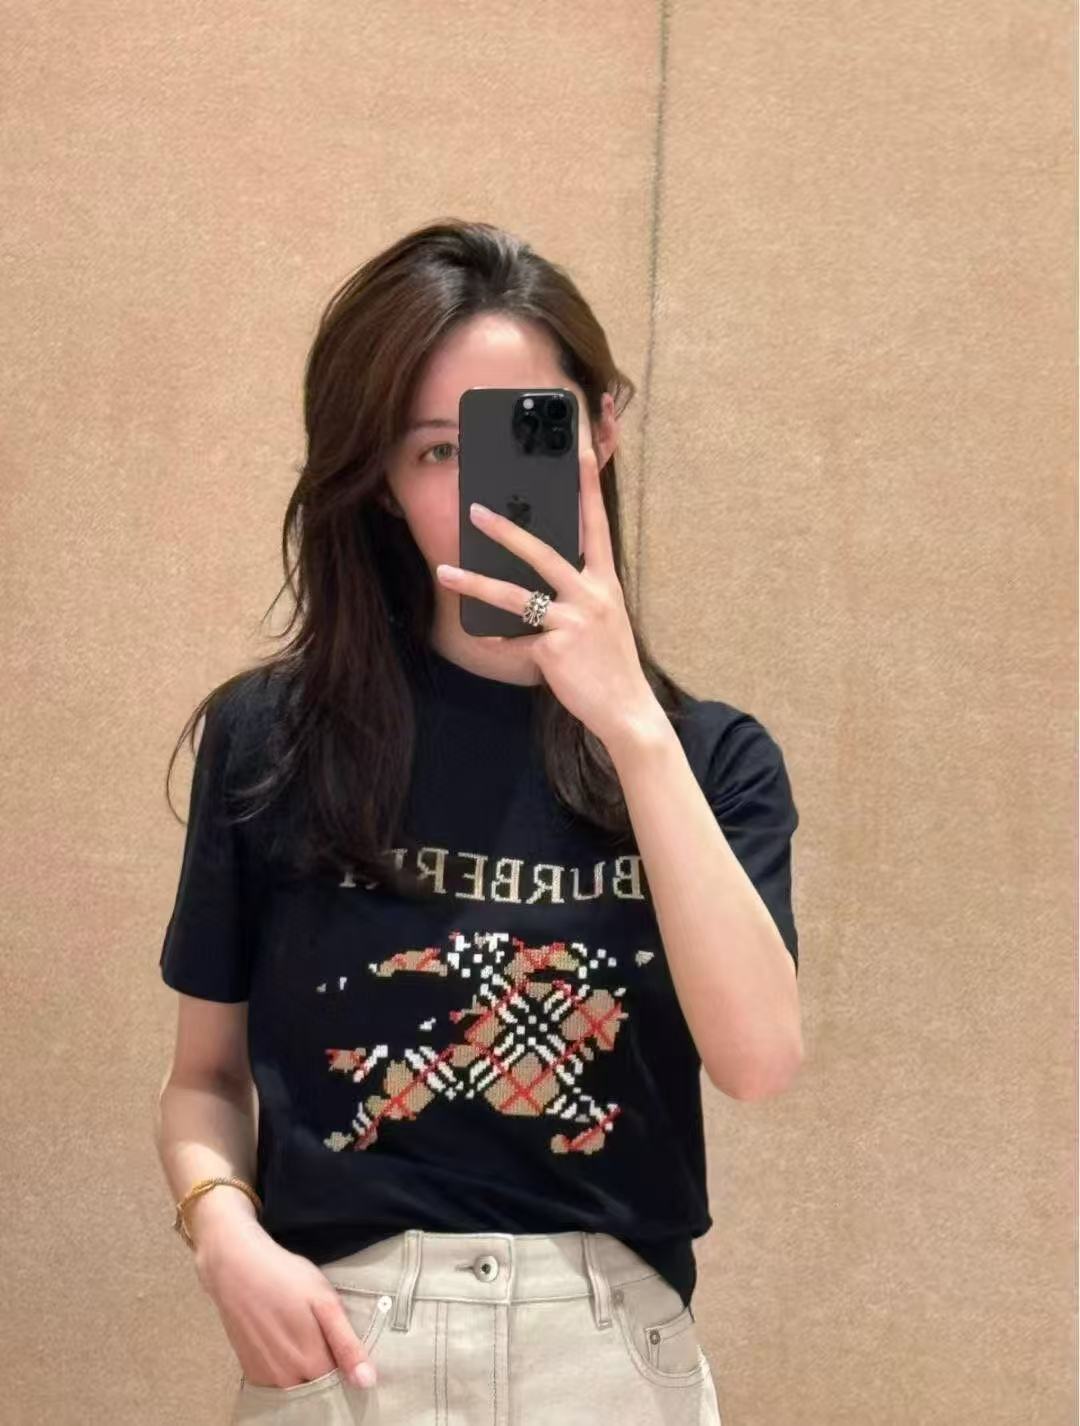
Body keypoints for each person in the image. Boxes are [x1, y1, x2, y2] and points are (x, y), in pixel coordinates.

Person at [154, 218, 802, 1425]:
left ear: (601, 428)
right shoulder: (274, 737)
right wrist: (223, 1234)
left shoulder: (711, 757)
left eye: (519, 432)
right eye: (434, 450)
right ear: (381, 483)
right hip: (345, 1351)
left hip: (608, 1357)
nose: (476, 490)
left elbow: (760, 1060)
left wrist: (632, 728)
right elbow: (203, 1078)